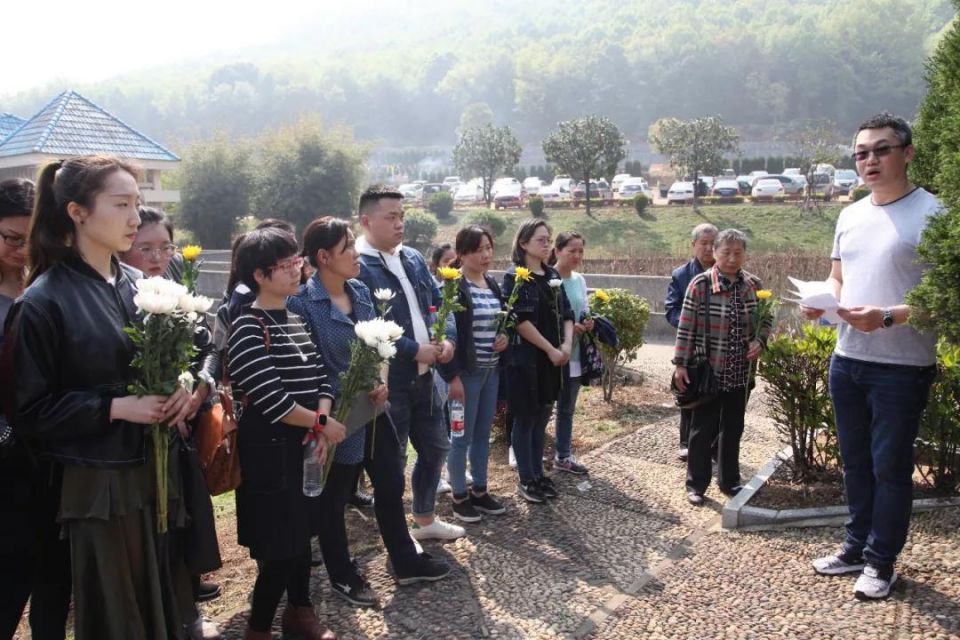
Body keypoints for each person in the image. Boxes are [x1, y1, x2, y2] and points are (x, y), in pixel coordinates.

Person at [5, 155, 190, 638]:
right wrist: (115, 407)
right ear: (77, 212)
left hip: (153, 473)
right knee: (117, 612)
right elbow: (29, 411)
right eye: (121, 204)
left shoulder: (139, 286)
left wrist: (184, 384)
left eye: (138, 204)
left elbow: (179, 357)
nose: (135, 218)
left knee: (158, 603)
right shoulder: (43, 301)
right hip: (97, 487)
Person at [805, 113, 941, 601]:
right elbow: (839, 277)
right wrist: (824, 302)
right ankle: (856, 547)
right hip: (847, 358)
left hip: (902, 366)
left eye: (882, 149)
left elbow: (946, 298)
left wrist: (887, 316)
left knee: (890, 468)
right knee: (855, 464)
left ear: (907, 153)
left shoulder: (937, 214)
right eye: (861, 153)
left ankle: (882, 562)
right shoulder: (850, 215)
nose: (870, 160)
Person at [227, 227, 346, 640]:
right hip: (270, 456)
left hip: (305, 448)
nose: (297, 270)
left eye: (297, 262)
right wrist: (322, 424)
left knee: (302, 538)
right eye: (285, 265)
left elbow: (322, 378)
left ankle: (301, 612)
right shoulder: (247, 327)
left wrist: (321, 422)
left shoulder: (295, 320)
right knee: (281, 547)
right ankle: (258, 628)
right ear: (259, 275)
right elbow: (272, 400)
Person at [120, 206, 223, 640]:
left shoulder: (179, 295)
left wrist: (199, 386)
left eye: (165, 247)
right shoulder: (117, 301)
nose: (157, 257)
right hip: (132, 448)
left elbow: (209, 350)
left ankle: (186, 613)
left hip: (181, 439)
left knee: (184, 529)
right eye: (145, 248)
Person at [288, 217, 393, 608]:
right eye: (347, 246)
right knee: (333, 499)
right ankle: (341, 574)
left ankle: (402, 552)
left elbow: (380, 342)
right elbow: (309, 371)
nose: (355, 252)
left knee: (392, 477)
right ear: (323, 257)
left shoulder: (361, 292)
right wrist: (323, 420)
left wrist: (381, 378)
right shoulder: (302, 304)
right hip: (336, 415)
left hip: (373, 407)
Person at [355, 185, 464, 542]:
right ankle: (396, 536)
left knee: (436, 448)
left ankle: (425, 518)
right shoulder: (359, 266)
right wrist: (414, 350)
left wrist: (448, 339)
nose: (400, 224)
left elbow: (440, 302)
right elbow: (369, 325)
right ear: (366, 221)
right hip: (393, 381)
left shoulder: (413, 258)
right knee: (392, 462)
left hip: (427, 377)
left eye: (402, 216)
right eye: (391, 217)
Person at [0, 178, 72, 640]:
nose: (22, 249)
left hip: (57, 460)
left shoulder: (56, 288)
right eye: (11, 237)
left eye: (31, 237)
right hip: (8, 466)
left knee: (56, 581)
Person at [672, 228, 771, 506]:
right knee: (702, 429)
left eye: (738, 253)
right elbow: (686, 326)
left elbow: (766, 319)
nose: (731, 258)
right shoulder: (700, 284)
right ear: (715, 253)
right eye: (726, 252)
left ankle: (729, 481)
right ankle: (696, 484)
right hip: (709, 371)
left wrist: (760, 341)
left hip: (740, 372)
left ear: (745, 255)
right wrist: (681, 364)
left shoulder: (753, 284)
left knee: (733, 428)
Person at [440, 225, 508, 523]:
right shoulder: (453, 286)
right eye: (479, 249)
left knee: (482, 434)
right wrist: (452, 377)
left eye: (489, 248)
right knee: (460, 436)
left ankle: (480, 490)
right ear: (462, 253)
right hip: (465, 374)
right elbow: (443, 333)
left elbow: (500, 323)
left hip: (491, 371)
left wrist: (504, 338)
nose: (486, 255)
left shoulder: (492, 284)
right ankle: (459, 496)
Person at [503, 218, 573, 504]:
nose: (547, 244)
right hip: (527, 360)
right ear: (523, 243)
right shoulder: (516, 277)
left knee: (542, 417)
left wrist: (566, 345)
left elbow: (567, 313)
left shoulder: (551, 274)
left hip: (552, 360)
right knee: (525, 418)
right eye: (540, 240)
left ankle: (538, 473)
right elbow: (520, 321)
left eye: (548, 239)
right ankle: (526, 478)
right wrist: (550, 349)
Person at [664, 223, 718, 462]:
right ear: (693, 244)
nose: (708, 248)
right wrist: (689, 325)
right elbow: (671, 309)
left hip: (719, 347)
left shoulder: (725, 272)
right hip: (690, 346)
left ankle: (714, 445)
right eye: (703, 243)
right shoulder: (681, 275)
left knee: (717, 395)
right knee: (689, 391)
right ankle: (686, 443)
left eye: (713, 244)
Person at [549, 231, 594, 476]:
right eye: (571, 251)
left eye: (580, 251)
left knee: (567, 409)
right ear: (557, 251)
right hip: (551, 355)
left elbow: (584, 308)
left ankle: (563, 455)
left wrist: (587, 322)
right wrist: (566, 328)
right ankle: (532, 456)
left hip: (575, 355)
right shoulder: (548, 279)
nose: (577, 256)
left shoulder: (579, 280)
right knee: (543, 410)